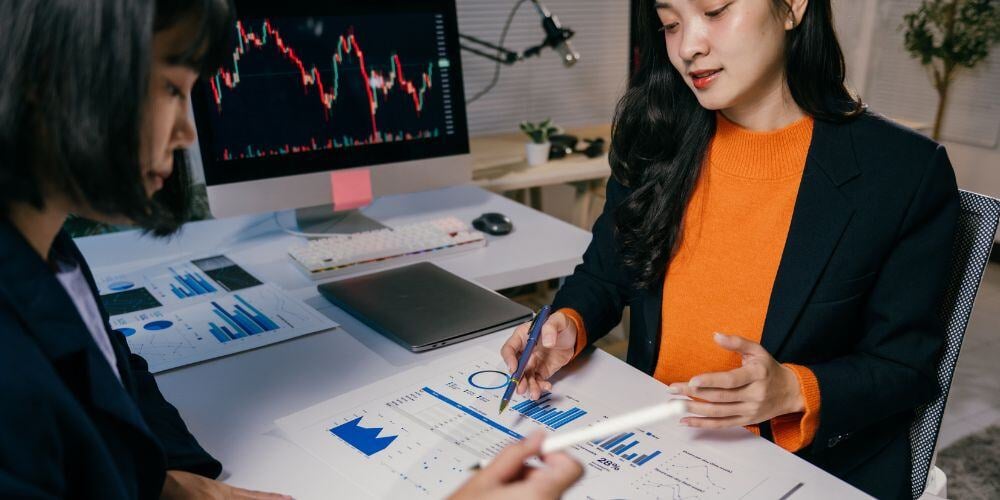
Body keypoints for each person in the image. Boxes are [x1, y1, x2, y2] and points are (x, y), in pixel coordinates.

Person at [0, 0, 581, 498]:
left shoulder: (54, 254)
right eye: (171, 90)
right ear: (56, 72)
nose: (186, 134)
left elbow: (113, 366)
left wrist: (170, 479)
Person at [500, 0, 959, 498]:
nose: (689, 47)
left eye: (715, 10)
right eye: (670, 24)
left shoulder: (903, 172)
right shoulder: (656, 136)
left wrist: (792, 390)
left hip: (803, 470)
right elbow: (607, 274)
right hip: (654, 449)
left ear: (792, 8)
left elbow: (904, 367)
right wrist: (569, 322)